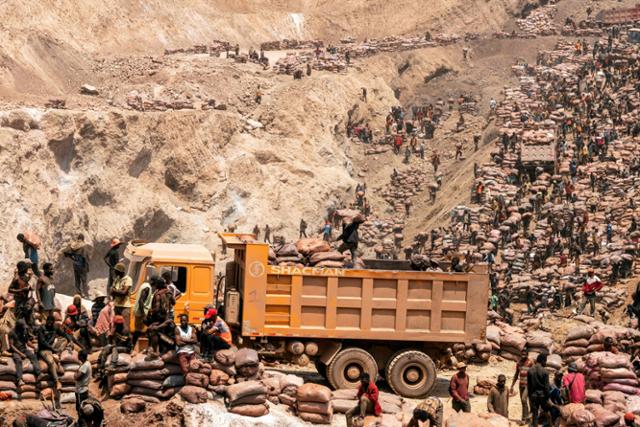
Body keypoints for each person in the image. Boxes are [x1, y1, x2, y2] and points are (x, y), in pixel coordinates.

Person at [37, 315, 78, 391]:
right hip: (44, 349)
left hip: (53, 347)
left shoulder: (55, 327)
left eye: (51, 322)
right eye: (48, 321)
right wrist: (52, 349)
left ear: (53, 322)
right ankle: (57, 381)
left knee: (64, 340)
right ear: (46, 321)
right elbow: (42, 342)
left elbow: (64, 334)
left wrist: (70, 340)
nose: (50, 323)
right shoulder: (41, 329)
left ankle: (57, 354)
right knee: (51, 362)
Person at [145, 277, 175, 357]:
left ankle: (155, 351)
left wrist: (150, 311)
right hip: (168, 317)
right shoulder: (169, 292)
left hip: (160, 318)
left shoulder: (158, 294)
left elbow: (157, 309)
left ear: (158, 285)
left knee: (152, 329)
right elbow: (174, 302)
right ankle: (157, 349)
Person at [9, 319, 40, 388]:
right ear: (18, 327)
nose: (24, 328)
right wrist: (20, 354)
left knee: (33, 356)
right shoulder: (12, 332)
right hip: (16, 351)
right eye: (22, 327)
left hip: (24, 349)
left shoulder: (24, 331)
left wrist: (34, 347)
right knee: (18, 360)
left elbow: (27, 341)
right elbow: (11, 345)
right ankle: (19, 379)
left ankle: (38, 373)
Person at [528, 354, 551, 427]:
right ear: (542, 361)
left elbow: (529, 386)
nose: (546, 363)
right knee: (547, 412)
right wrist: (548, 398)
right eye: (545, 361)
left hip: (533, 396)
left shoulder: (530, 370)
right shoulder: (545, 372)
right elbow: (547, 387)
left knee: (535, 414)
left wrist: (530, 397)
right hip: (543, 396)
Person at [511, 349, 533, 424]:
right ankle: (527, 418)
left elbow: (534, 373)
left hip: (529, 385)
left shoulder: (530, 363)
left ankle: (524, 419)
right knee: (523, 402)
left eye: (525, 354)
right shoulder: (519, 363)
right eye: (522, 354)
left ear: (527, 355)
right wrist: (512, 385)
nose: (523, 356)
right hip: (521, 385)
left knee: (524, 399)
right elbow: (516, 375)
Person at [131, 275, 153, 348]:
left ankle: (133, 346)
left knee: (140, 330)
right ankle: (132, 346)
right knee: (142, 330)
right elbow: (141, 301)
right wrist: (143, 314)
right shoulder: (147, 287)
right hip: (141, 312)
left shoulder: (143, 285)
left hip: (139, 311)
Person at [110, 263, 132, 332]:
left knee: (125, 328)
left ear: (120, 271)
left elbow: (124, 293)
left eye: (116, 271)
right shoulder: (117, 279)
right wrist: (117, 291)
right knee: (117, 327)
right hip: (117, 306)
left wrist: (115, 291)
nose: (115, 272)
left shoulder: (127, 279)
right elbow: (112, 291)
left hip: (124, 307)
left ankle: (127, 342)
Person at [74, 350, 92, 422]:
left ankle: (82, 422)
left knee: (80, 409)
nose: (77, 356)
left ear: (81, 357)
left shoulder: (85, 366)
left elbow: (77, 377)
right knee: (83, 407)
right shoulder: (87, 363)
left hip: (81, 390)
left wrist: (75, 374)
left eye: (78, 355)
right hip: (84, 389)